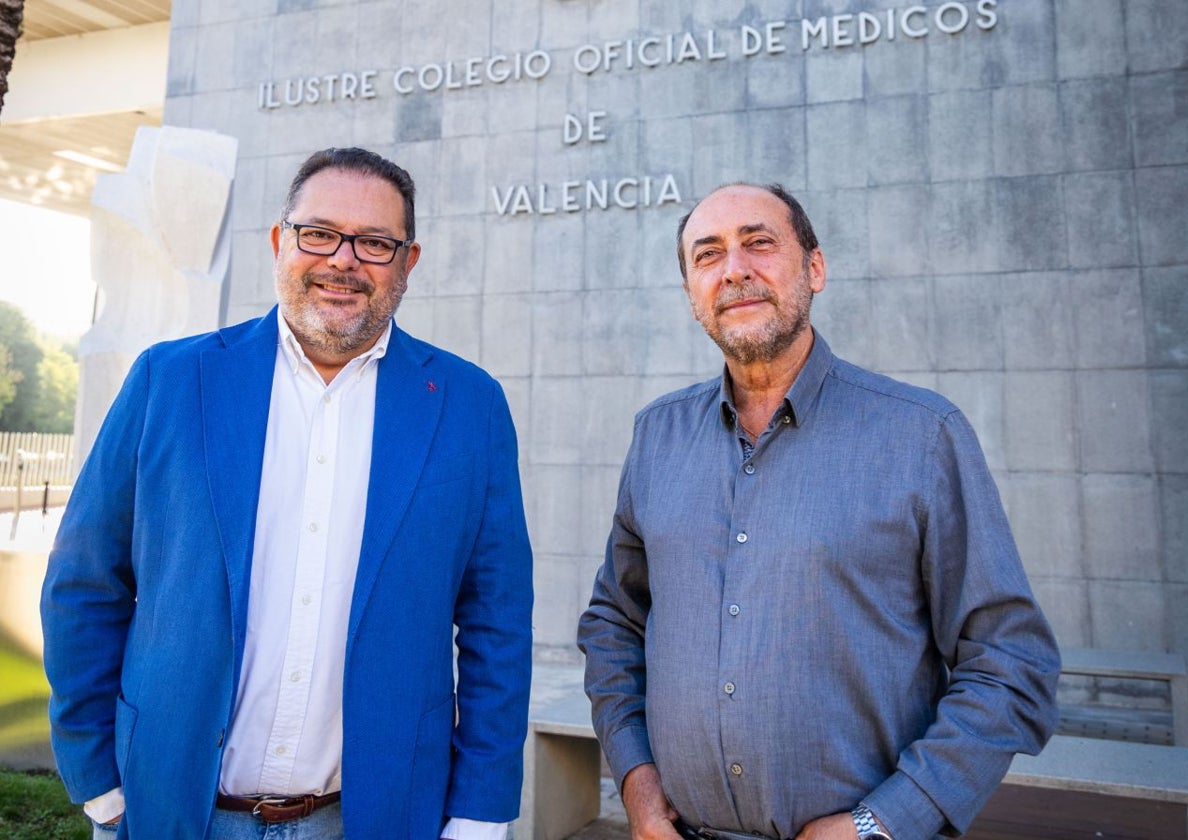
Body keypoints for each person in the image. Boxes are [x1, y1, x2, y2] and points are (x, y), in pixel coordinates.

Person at [41, 147, 534, 840]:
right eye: (319, 233)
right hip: (171, 809)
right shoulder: (169, 382)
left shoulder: (469, 407)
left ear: (408, 262)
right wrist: (99, 782)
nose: (343, 259)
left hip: (374, 817)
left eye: (375, 243)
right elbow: (84, 583)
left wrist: (480, 812)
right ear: (281, 242)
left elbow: (497, 622)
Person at [577, 183, 1060, 840]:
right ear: (693, 295)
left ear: (815, 268)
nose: (735, 270)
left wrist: (881, 823)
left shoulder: (921, 436)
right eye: (707, 255)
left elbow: (1010, 663)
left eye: (759, 243)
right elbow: (614, 624)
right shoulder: (657, 438)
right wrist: (634, 776)